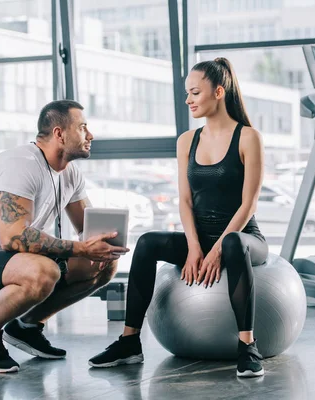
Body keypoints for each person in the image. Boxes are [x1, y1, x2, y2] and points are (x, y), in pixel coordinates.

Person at [88, 58, 269, 378]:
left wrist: (216, 250)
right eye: (187, 92)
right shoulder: (187, 141)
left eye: (195, 92)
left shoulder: (248, 138)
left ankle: (247, 347)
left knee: (231, 242)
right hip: (201, 239)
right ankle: (130, 342)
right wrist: (195, 248)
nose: (188, 100)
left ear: (218, 92)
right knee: (147, 242)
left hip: (244, 238)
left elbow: (249, 204)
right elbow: (185, 201)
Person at [0, 100, 129, 373]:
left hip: (15, 263)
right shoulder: (20, 163)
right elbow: (12, 237)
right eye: (82, 128)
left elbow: (86, 226)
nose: (90, 135)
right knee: (44, 271)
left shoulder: (69, 173)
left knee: (103, 264)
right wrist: (80, 248)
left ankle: (26, 327)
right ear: (59, 133)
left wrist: (106, 243)